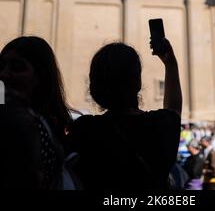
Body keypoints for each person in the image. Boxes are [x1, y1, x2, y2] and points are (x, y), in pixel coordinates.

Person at [66, 38, 182, 193]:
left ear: (94, 87)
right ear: (138, 82)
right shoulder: (159, 126)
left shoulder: (84, 130)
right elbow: (173, 110)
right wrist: (170, 64)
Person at [0, 36, 73, 189]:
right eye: (1, 66)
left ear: (41, 76)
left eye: (17, 67)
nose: (4, 74)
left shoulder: (31, 125)